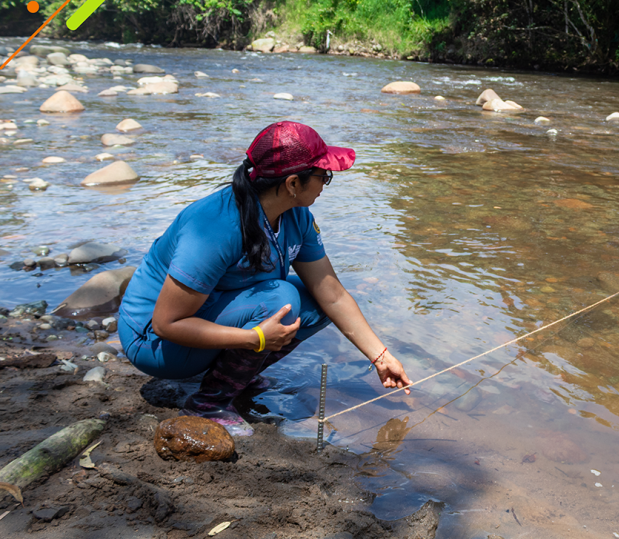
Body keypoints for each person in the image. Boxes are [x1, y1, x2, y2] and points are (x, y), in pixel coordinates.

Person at [118, 121, 412, 436]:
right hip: (154, 342)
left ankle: (235, 376)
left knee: (313, 302)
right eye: (323, 175)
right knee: (282, 300)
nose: (326, 184)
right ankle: (207, 402)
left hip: (204, 316)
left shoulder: (296, 216)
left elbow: (333, 295)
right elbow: (166, 323)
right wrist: (254, 339)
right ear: (293, 184)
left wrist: (380, 356)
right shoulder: (215, 227)